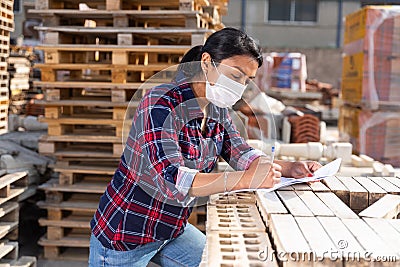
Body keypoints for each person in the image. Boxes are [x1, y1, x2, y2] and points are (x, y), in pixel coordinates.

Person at [89, 28, 321, 267]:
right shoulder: (160, 102)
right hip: (127, 233)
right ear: (207, 62)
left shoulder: (217, 109)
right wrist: (246, 179)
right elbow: (171, 180)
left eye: (246, 80)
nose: (240, 86)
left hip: (171, 229)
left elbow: (239, 151)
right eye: (235, 75)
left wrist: (287, 167)